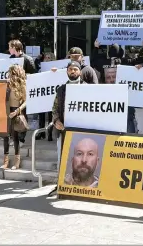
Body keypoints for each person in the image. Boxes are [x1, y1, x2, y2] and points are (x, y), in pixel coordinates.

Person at [48, 62, 86, 196]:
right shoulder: (61, 89)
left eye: (75, 69)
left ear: (80, 72)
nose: (73, 71)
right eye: (70, 69)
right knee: (63, 158)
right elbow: (54, 109)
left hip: (83, 131)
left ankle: (81, 187)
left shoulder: (89, 88)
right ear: (67, 72)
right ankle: (62, 185)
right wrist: (56, 121)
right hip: (63, 130)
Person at [8, 40, 35, 147]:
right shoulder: (10, 59)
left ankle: (21, 139)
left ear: (15, 47)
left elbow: (34, 74)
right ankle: (13, 137)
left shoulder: (28, 59)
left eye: (10, 47)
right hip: (11, 92)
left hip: (23, 90)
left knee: (22, 114)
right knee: (12, 114)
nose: (9, 49)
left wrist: (21, 75)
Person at [1, 65, 28, 170]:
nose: (11, 75)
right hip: (6, 111)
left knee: (15, 137)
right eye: (10, 73)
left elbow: (26, 101)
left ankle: (17, 162)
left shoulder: (22, 85)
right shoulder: (7, 84)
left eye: (13, 73)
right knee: (5, 136)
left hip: (16, 111)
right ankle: (5, 161)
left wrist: (17, 111)